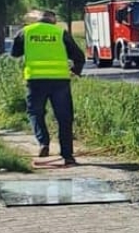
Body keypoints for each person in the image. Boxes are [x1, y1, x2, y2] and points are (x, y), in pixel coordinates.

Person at [9, 9, 86, 165]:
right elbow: (79, 56)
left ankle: (43, 143)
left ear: (38, 20)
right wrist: (75, 71)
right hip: (60, 81)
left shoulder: (26, 32)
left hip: (35, 81)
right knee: (64, 118)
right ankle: (68, 155)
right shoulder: (60, 32)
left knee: (35, 113)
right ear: (53, 21)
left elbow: (14, 53)